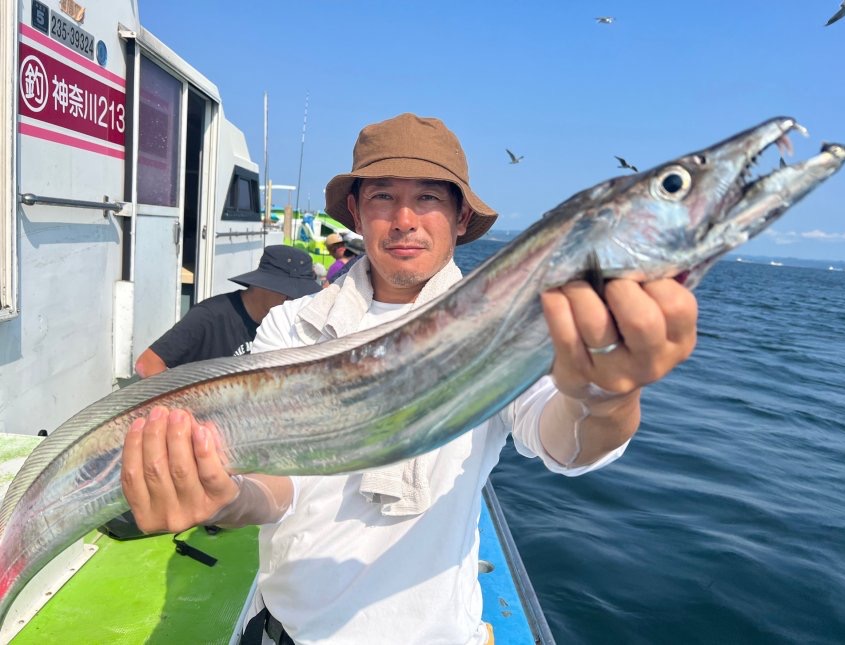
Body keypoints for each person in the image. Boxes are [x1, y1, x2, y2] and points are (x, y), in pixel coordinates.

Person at [121, 113, 698, 644]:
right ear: (356, 213)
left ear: (460, 217)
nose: (404, 220)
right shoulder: (293, 325)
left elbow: (566, 443)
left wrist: (610, 392)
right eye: (383, 197)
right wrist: (225, 500)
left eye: (427, 197)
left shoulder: (500, 328)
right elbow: (277, 486)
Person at [134, 245, 321, 378]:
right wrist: (182, 408)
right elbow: (147, 363)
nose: (294, 300)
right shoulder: (209, 315)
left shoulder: (290, 323)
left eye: (301, 295)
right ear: (262, 284)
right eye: (288, 292)